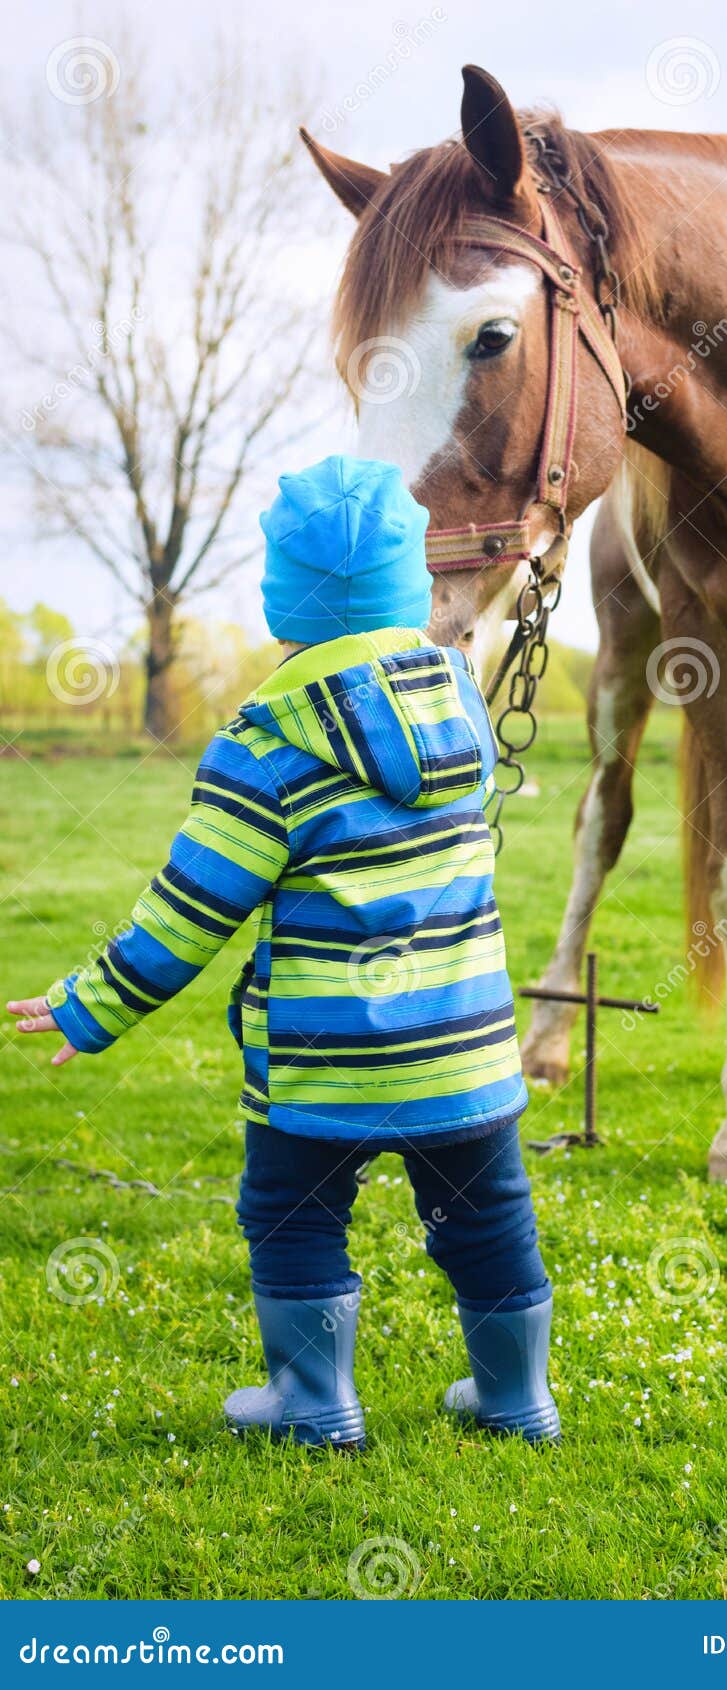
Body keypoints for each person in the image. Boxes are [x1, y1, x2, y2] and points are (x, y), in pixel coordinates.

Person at [7, 456, 559, 1450]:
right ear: (404, 584)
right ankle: (517, 1398)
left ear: (281, 600)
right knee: (486, 1221)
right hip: (463, 1053)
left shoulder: (263, 746)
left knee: (293, 1214)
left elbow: (190, 908)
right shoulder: (463, 709)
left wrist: (92, 1003)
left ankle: (315, 1403)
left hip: (322, 1063)